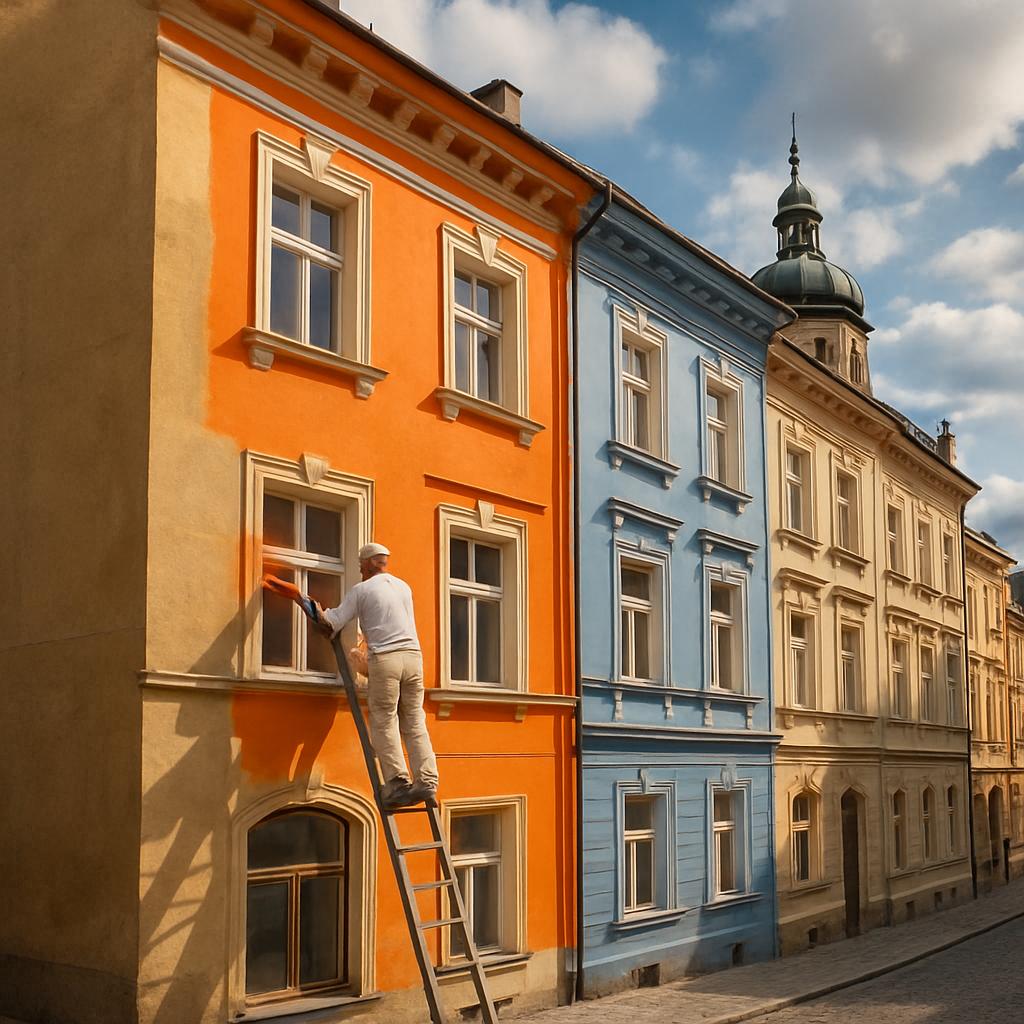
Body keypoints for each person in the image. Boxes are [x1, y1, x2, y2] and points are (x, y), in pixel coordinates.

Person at [317, 542, 439, 809]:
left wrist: (315, 610)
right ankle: (427, 781)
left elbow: (332, 621)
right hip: (414, 659)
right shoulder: (403, 587)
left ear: (369, 563)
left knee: (384, 720)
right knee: (415, 721)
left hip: (386, 659)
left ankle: (397, 783)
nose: (360, 571)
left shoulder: (362, 590)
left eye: (361, 566)